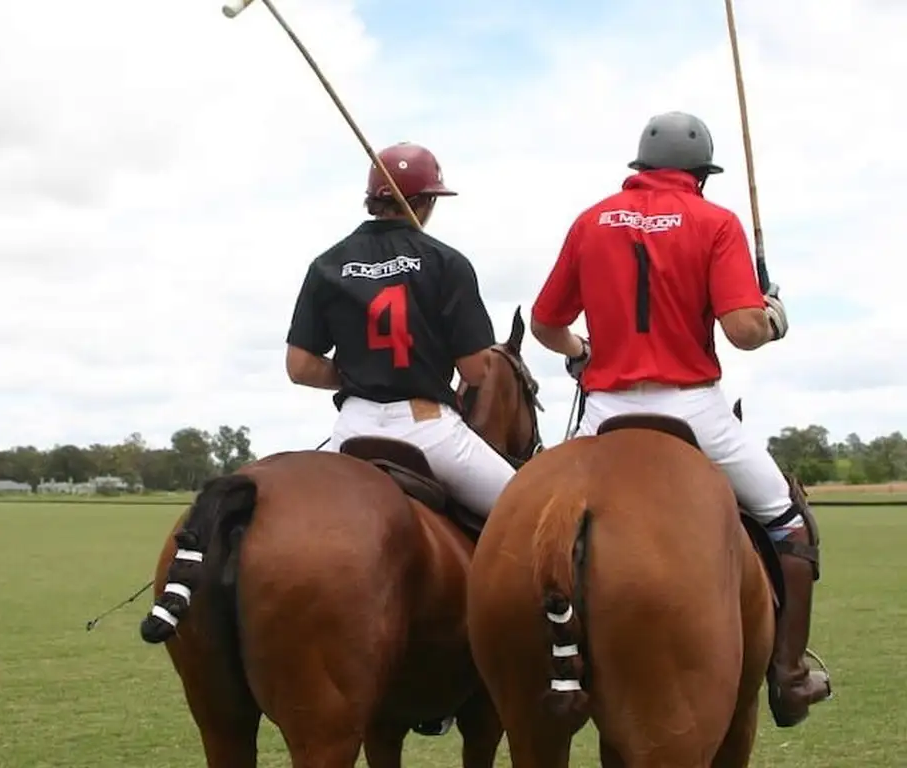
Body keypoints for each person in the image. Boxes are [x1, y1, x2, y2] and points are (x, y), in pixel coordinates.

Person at [528, 111, 831, 728]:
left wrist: (582, 351)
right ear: (701, 174)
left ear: (641, 167)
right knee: (789, 523)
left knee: (533, 520)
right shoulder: (715, 222)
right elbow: (742, 331)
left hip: (605, 410)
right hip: (693, 409)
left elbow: (545, 324)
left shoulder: (591, 220)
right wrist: (773, 316)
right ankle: (788, 674)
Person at [284, 141, 516, 522]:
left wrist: (357, 373)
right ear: (424, 202)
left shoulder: (326, 264)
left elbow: (300, 366)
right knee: (528, 511)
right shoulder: (447, 262)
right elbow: (476, 371)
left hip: (353, 430)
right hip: (430, 432)